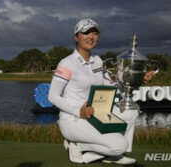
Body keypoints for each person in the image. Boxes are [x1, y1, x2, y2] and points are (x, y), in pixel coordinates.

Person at [48, 19, 155, 164]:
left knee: (131, 111)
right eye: (86, 32)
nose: (91, 36)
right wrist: (78, 111)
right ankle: (77, 146)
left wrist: (137, 79)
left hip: (96, 116)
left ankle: (114, 155)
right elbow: (53, 96)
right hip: (73, 120)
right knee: (119, 145)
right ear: (76, 37)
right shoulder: (67, 63)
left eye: (95, 33)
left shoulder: (98, 61)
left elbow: (111, 89)